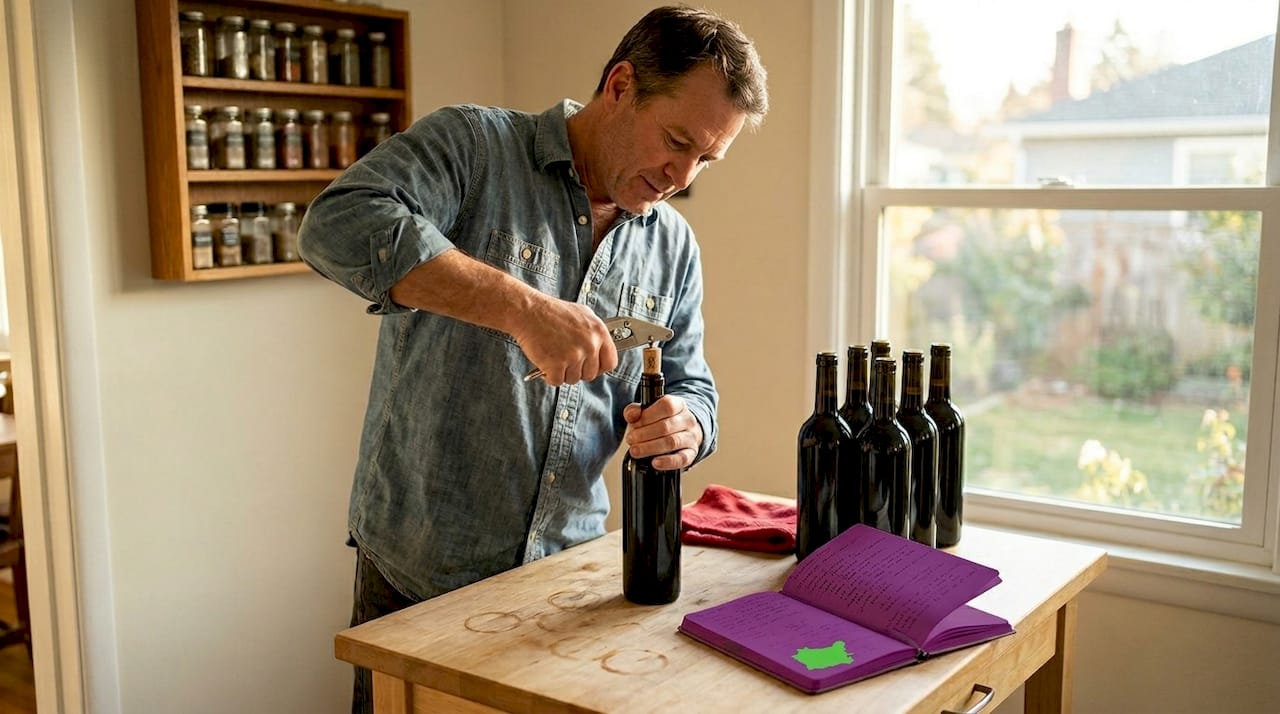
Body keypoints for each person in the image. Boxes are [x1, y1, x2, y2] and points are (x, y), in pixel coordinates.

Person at [297, 5, 768, 712]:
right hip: (420, 577)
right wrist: (520, 308)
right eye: (677, 140)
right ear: (620, 85)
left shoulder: (673, 245)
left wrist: (689, 428)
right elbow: (336, 224)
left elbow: (695, 385)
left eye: (706, 158)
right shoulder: (474, 145)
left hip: (569, 586)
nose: (682, 175)